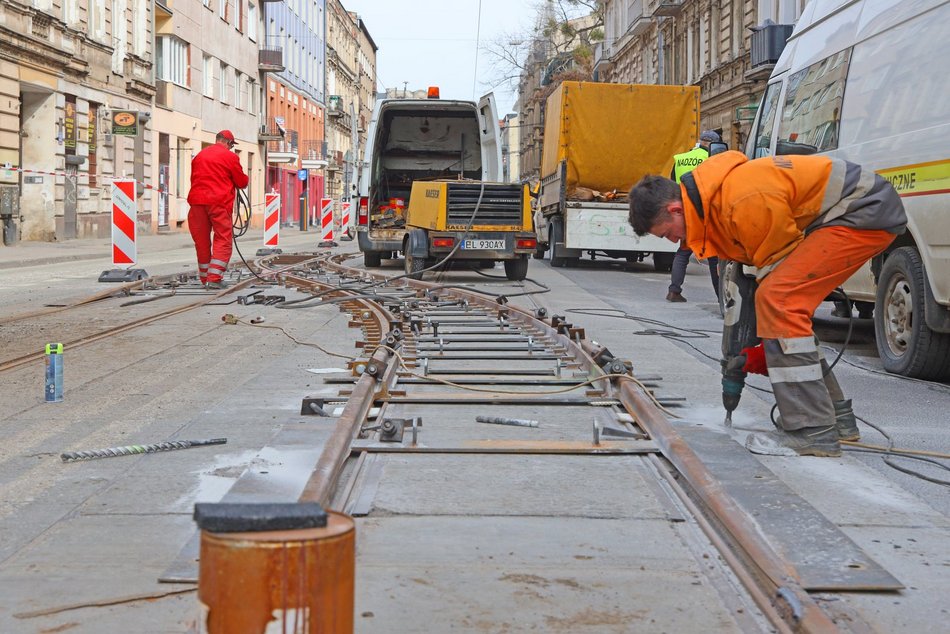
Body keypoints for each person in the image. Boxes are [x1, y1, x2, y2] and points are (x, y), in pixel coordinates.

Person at [627, 152, 907, 456]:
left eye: (668, 233)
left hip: (862, 210)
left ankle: (811, 430)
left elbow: (776, 277)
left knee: (780, 301)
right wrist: (767, 343)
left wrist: (769, 349)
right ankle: (837, 419)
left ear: (676, 209)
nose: (674, 241)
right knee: (782, 307)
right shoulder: (716, 206)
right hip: (851, 212)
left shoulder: (741, 200)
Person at [187, 130, 249, 289]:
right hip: (219, 202)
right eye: (231, 145)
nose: (231, 148)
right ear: (228, 142)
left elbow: (194, 178)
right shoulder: (230, 157)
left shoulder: (200, 155)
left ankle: (205, 278)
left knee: (201, 241)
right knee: (223, 239)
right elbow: (241, 182)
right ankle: (214, 278)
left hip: (197, 202)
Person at [666, 130, 722, 303]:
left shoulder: (681, 159)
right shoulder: (712, 159)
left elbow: (673, 185)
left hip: (685, 212)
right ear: (713, 144)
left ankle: (674, 291)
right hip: (705, 212)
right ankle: (720, 297)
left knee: (683, 252)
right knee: (713, 256)